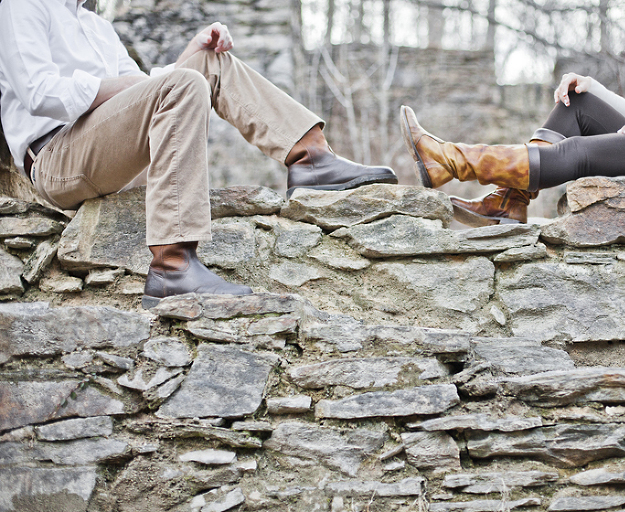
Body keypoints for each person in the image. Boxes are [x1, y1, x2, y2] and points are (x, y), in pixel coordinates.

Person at [0, 0, 398, 309]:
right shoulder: (24, 5)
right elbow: (39, 92)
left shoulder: (95, 24)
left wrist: (188, 58)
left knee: (209, 59)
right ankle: (172, 265)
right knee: (183, 82)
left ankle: (310, 157)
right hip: (56, 159)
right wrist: (172, 80)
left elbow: (141, 90)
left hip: (106, 152)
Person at [400, 0, 625, 226]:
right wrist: (591, 85)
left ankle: (452, 160)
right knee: (576, 102)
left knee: (577, 151)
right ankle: (510, 202)